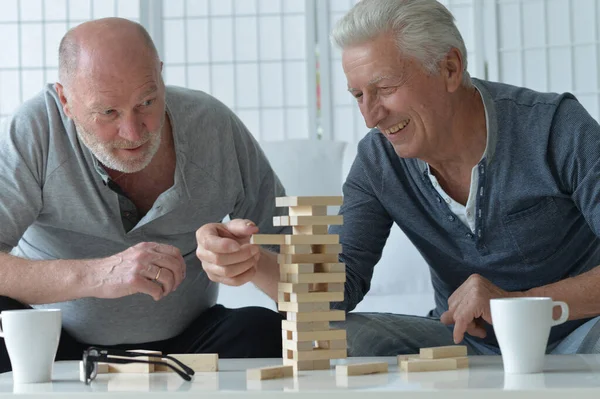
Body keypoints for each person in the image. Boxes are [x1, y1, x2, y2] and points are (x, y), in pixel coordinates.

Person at [199, 0, 600, 357]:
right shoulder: (378, 160)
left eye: (384, 88)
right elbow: (339, 288)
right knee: (338, 336)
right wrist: (252, 262)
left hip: (581, 333)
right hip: (465, 343)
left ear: (449, 68)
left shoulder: (555, 127)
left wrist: (518, 304)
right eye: (358, 95)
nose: (371, 116)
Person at [0, 17, 286, 373]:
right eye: (108, 112)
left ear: (161, 76)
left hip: (190, 344)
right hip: (55, 345)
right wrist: (99, 275)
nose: (133, 132)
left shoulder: (212, 126)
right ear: (66, 100)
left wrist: (248, 259)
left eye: (147, 102)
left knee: (264, 333)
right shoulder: (35, 130)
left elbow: (295, 263)